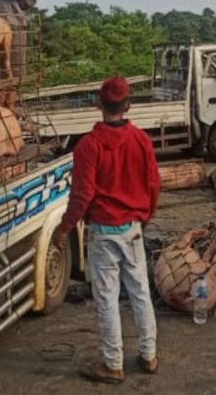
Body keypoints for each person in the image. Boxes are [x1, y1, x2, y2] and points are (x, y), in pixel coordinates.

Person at [52, 76, 160, 384]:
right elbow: (153, 185)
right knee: (140, 293)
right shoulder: (141, 140)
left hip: (103, 232)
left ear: (99, 105)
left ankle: (113, 364)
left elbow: (82, 195)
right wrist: (144, 217)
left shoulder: (88, 146)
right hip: (133, 229)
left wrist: (64, 228)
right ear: (127, 105)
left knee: (108, 299)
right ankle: (149, 355)